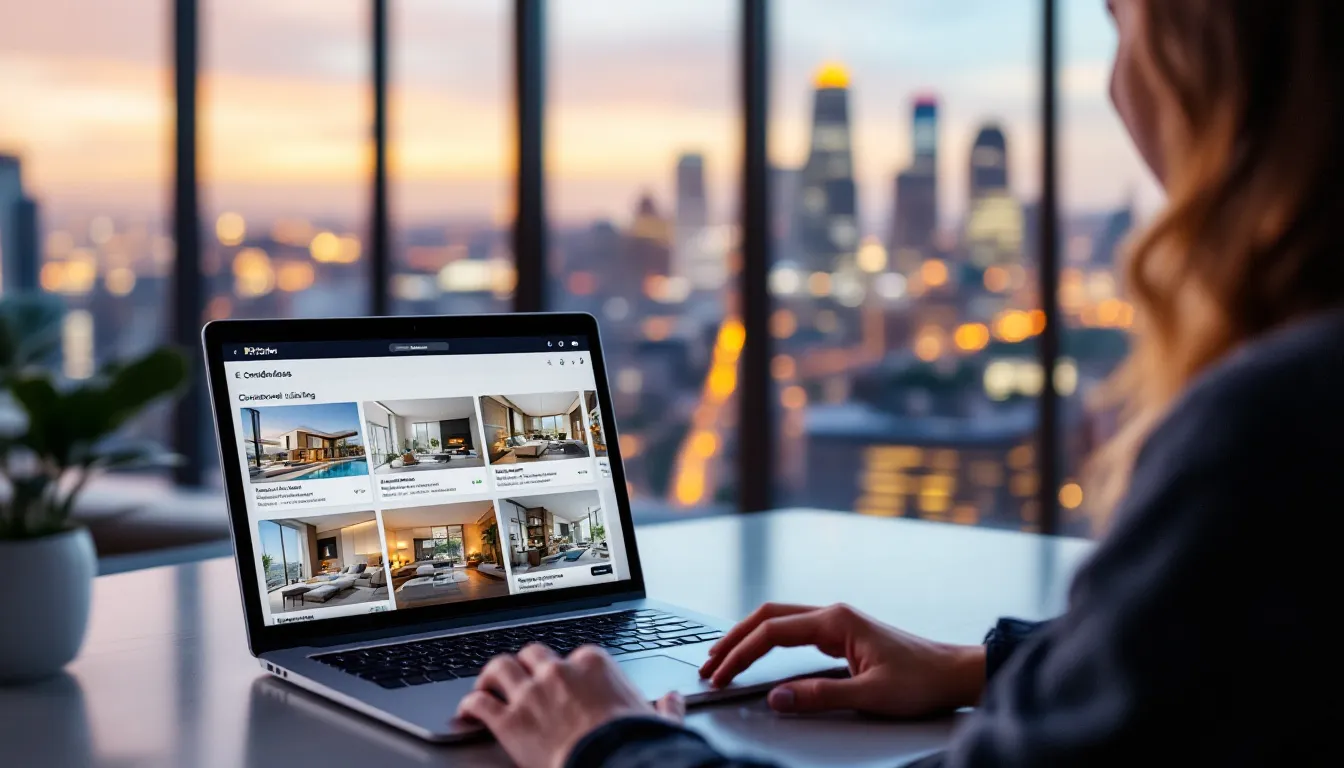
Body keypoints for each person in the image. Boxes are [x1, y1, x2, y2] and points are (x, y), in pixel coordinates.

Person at [456, 0, 1341, 764]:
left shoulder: (1274, 426)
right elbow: (1240, 653)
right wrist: (979, 666)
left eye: (1119, 19)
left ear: (1215, 59)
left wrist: (604, 741)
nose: (1118, 84)